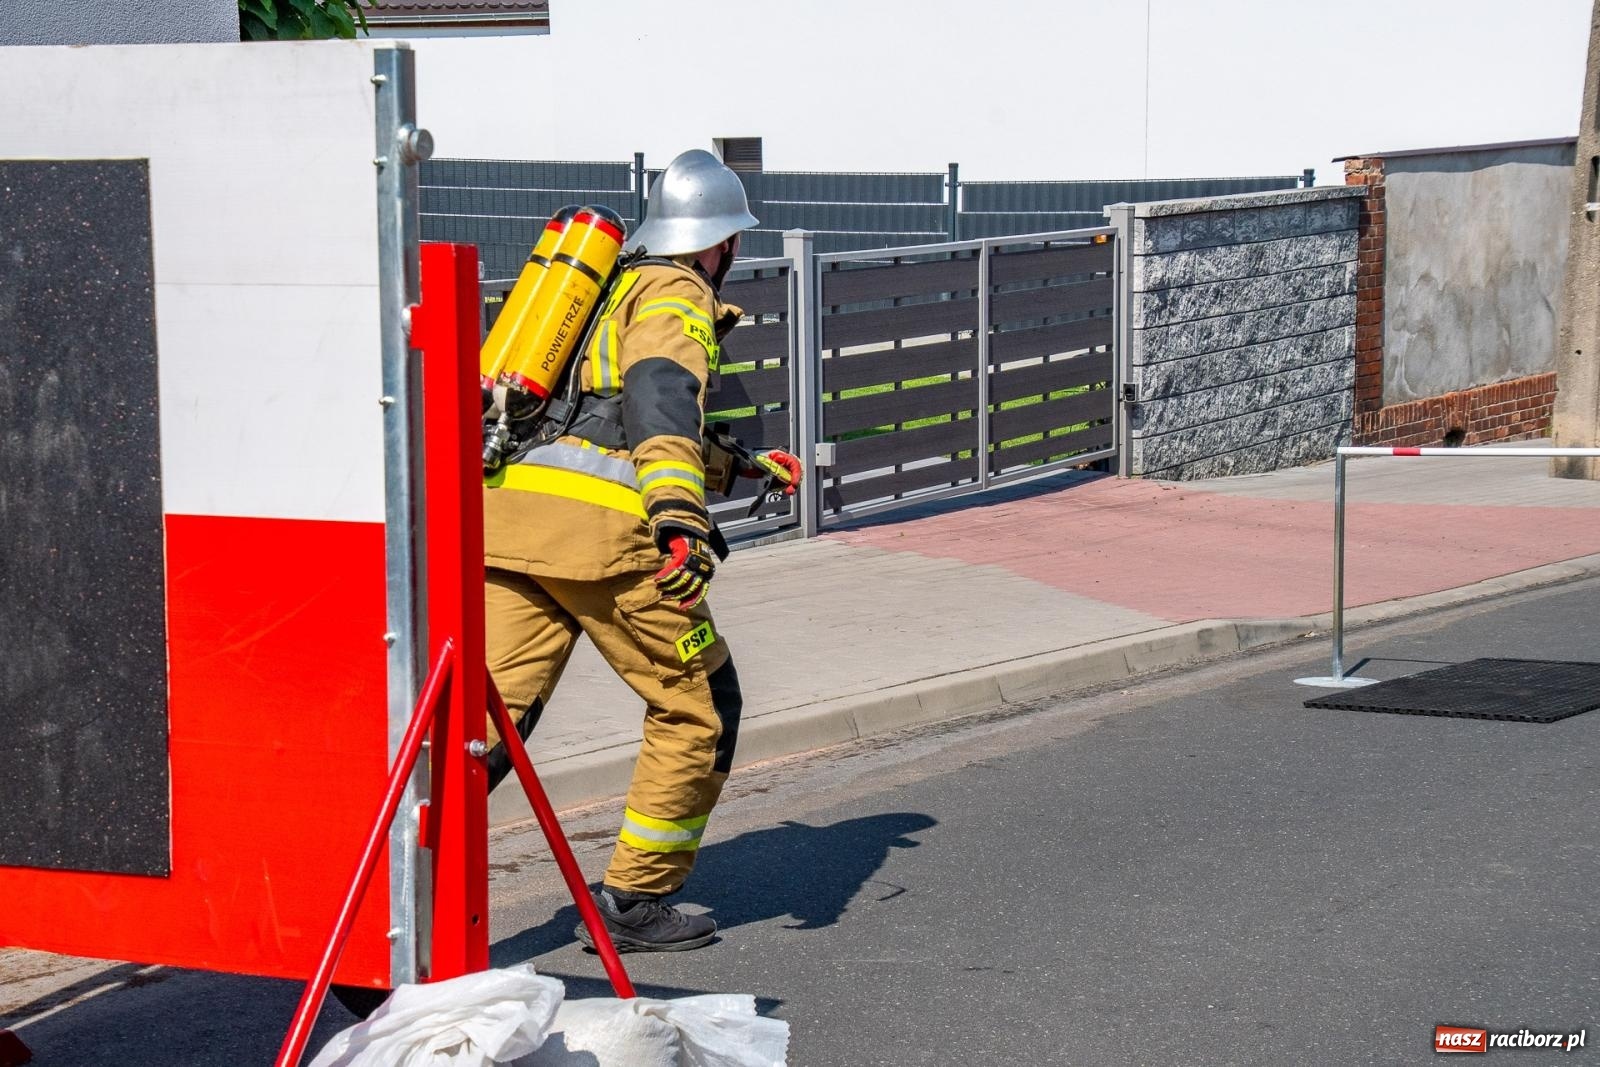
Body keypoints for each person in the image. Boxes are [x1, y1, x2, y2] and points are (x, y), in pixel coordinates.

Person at [481, 149, 801, 952]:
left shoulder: (606, 286)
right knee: (701, 706)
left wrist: (740, 467)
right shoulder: (676, 290)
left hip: (509, 526)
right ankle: (637, 896)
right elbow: (661, 398)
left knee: (483, 729)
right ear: (721, 242)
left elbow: (599, 418)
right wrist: (680, 517)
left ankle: (387, 892)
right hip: (609, 546)